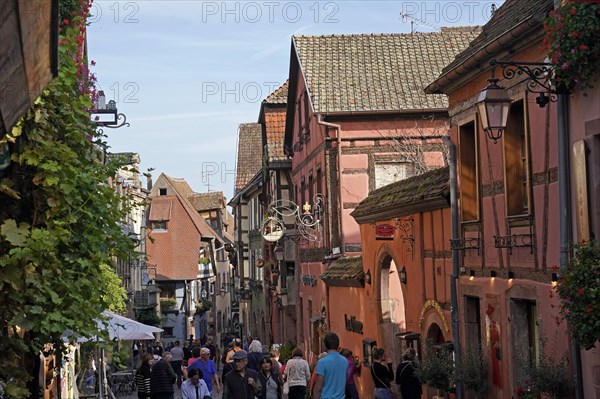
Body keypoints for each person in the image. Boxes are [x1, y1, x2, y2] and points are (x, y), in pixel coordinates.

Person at [313, 332, 348, 399]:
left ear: (325, 345)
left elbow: (318, 388)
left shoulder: (322, 362)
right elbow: (345, 381)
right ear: (337, 344)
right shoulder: (344, 361)